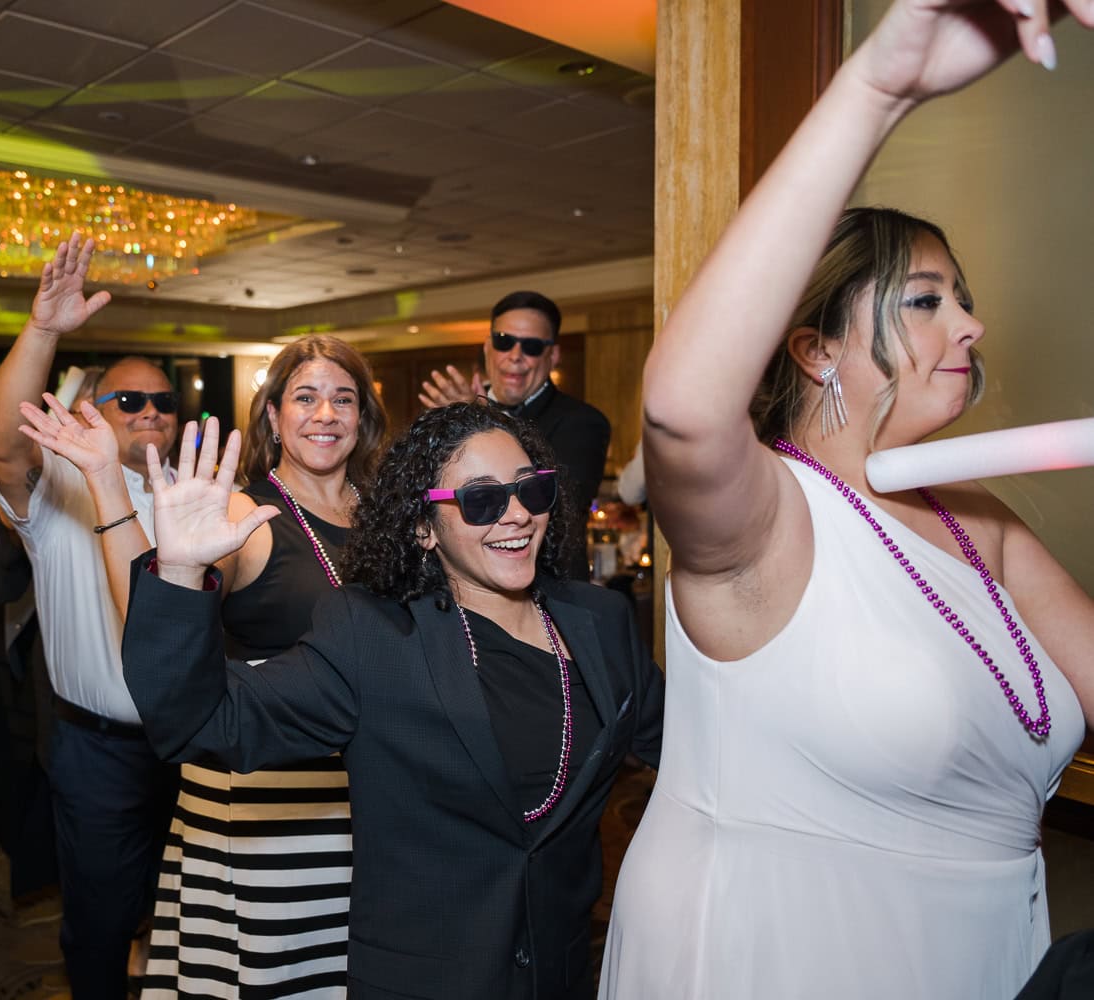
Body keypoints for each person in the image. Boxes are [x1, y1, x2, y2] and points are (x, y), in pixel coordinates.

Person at [601, 3, 1094, 998]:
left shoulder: (979, 520)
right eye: (926, 299)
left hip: (989, 952)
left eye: (962, 297)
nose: (972, 323)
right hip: (795, 952)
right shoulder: (770, 517)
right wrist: (878, 88)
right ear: (816, 348)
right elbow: (687, 412)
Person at [111, 402, 662, 999]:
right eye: (481, 501)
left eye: (534, 490)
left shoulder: (599, 622)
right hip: (422, 981)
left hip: (563, 973)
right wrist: (181, 573)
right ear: (424, 527)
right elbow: (205, 724)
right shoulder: (373, 636)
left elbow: (689, 750)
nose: (518, 515)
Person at [20, 334, 389, 999]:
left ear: (363, 417)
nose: (326, 413)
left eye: (343, 398)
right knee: (282, 975)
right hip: (270, 800)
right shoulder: (245, 512)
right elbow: (153, 617)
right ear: (273, 416)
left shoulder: (384, 515)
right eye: (305, 397)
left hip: (373, 795)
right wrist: (107, 482)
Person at [0, 232, 181, 998]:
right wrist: (43, 331)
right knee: (97, 916)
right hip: (99, 750)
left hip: (193, 743)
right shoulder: (58, 489)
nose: (150, 413)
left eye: (162, 402)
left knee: (184, 904)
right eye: (130, 401)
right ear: (90, 412)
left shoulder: (194, 490)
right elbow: (0, 442)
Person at [419, 291, 611, 577]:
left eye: (532, 346)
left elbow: (561, 504)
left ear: (553, 355)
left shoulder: (584, 423)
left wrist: (479, 417)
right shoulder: (451, 413)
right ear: (487, 348)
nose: (515, 356)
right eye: (504, 342)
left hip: (550, 591)